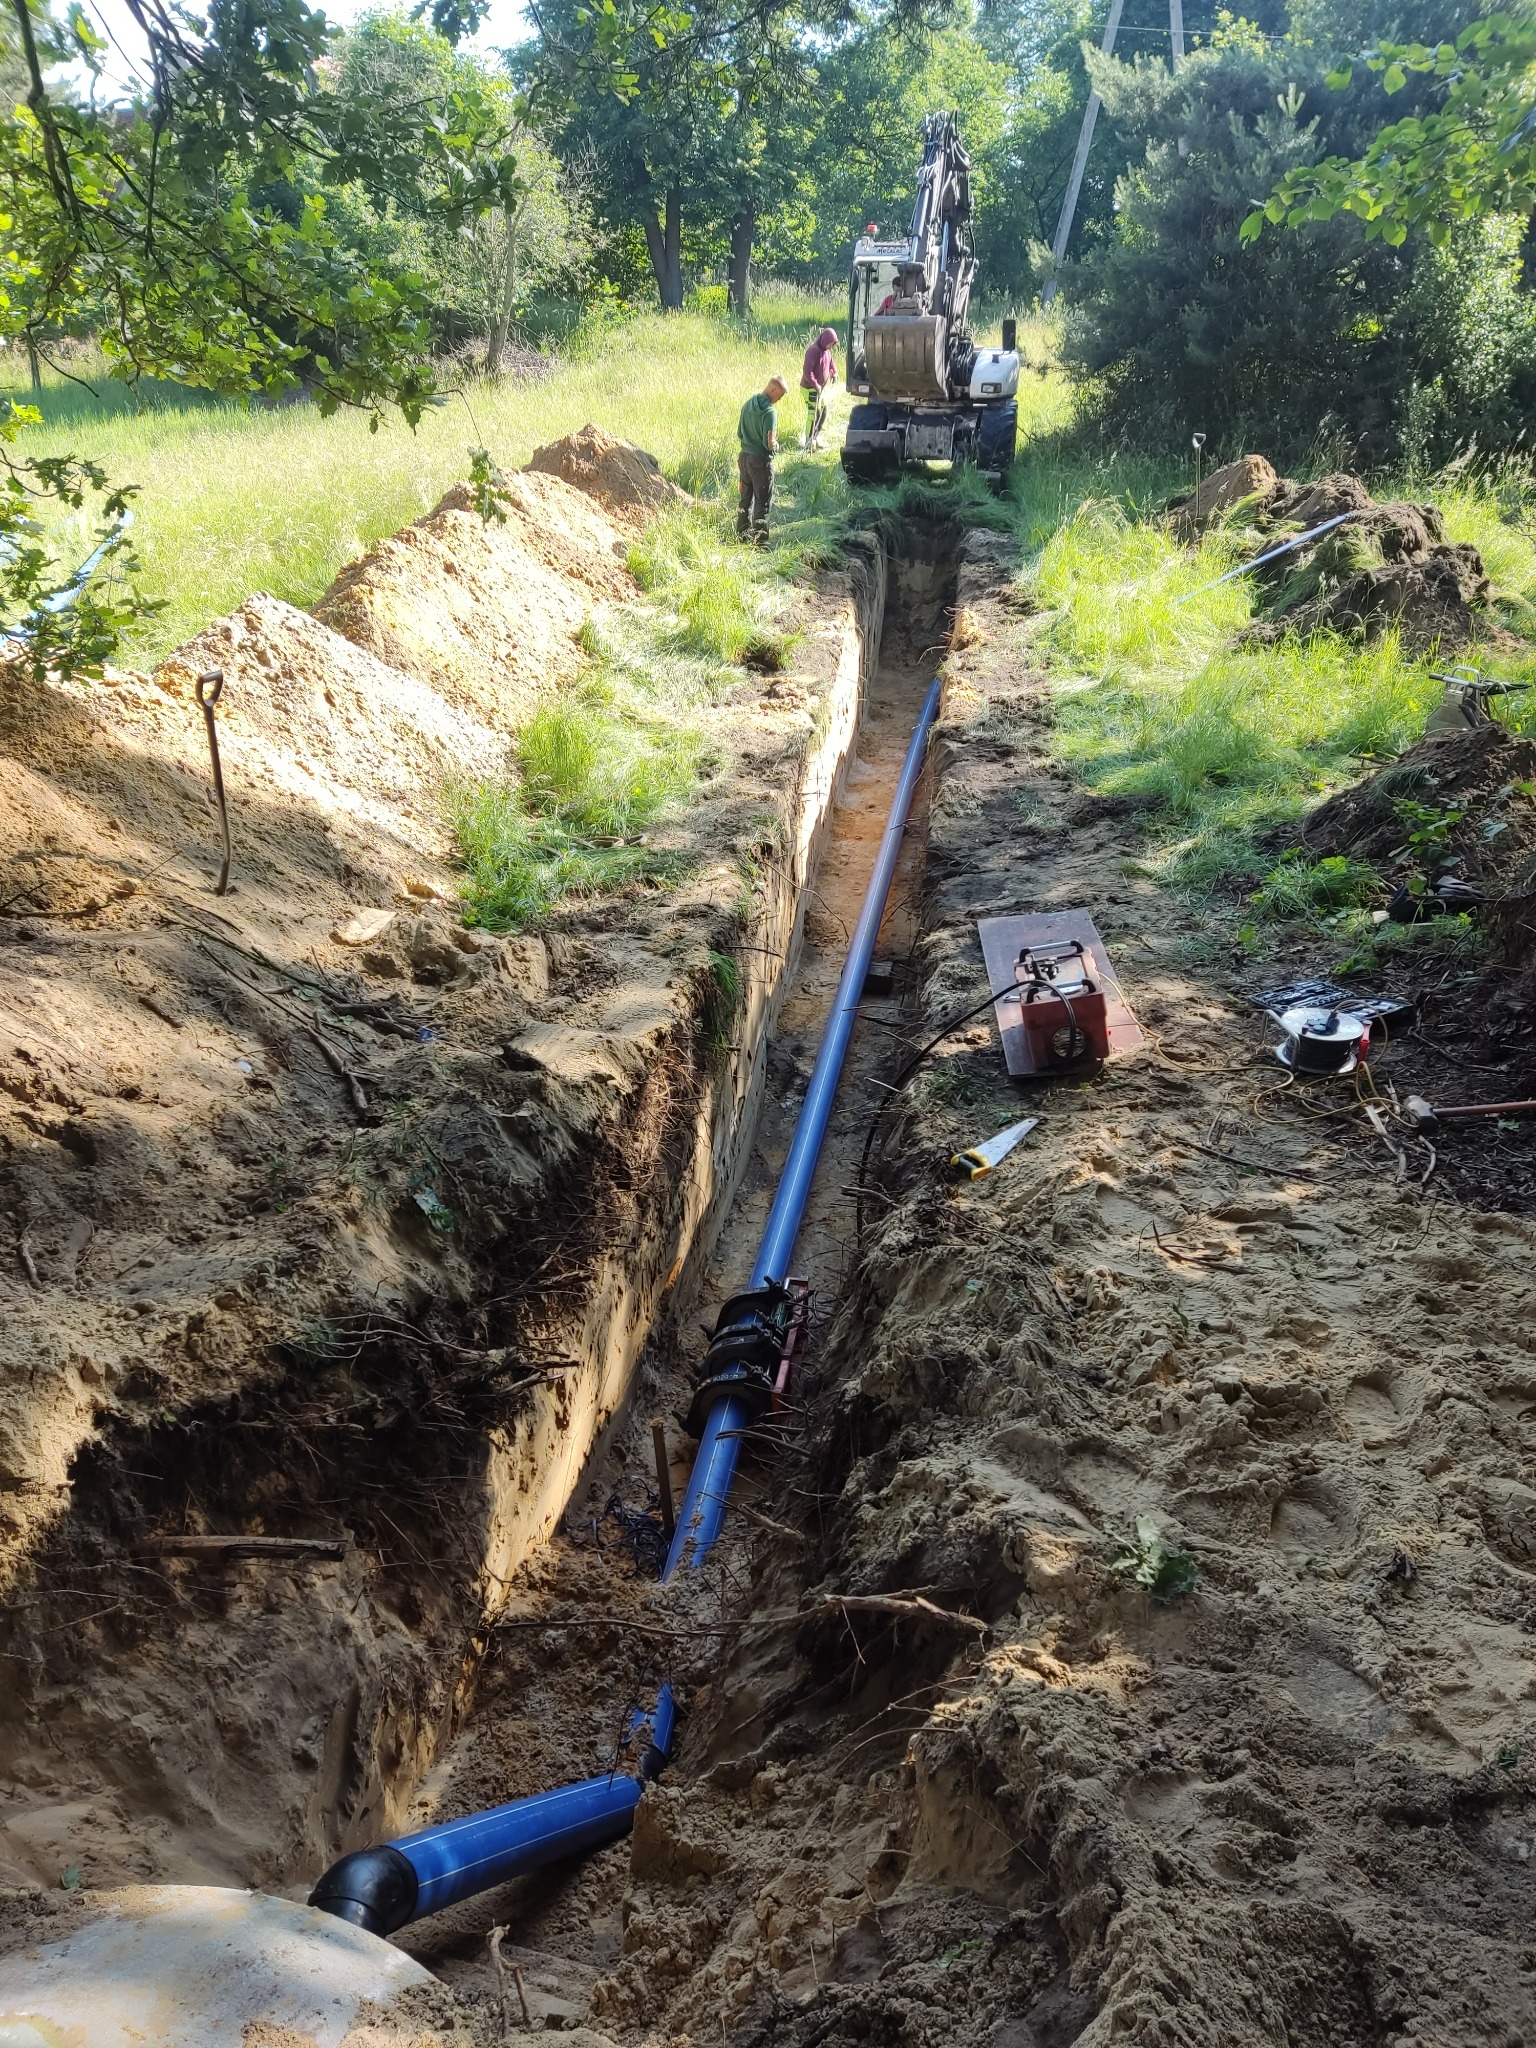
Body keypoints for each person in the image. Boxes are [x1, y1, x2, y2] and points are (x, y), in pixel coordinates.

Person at [737, 374, 786, 544]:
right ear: (773, 390)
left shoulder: (747, 404)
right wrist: (777, 446)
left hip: (744, 458)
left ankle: (741, 536)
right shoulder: (770, 412)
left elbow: (740, 433)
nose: (779, 400)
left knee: (745, 499)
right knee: (762, 502)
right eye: (779, 395)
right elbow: (769, 444)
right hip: (760, 462)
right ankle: (760, 543)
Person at [800, 325, 838, 451]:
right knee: (813, 414)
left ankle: (816, 437)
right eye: (830, 343)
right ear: (824, 340)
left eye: (833, 344)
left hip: (821, 389)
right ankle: (808, 441)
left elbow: (831, 363)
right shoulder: (813, 351)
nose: (831, 346)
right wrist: (815, 384)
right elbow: (807, 371)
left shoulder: (827, 350)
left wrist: (834, 373)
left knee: (823, 412)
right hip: (810, 388)